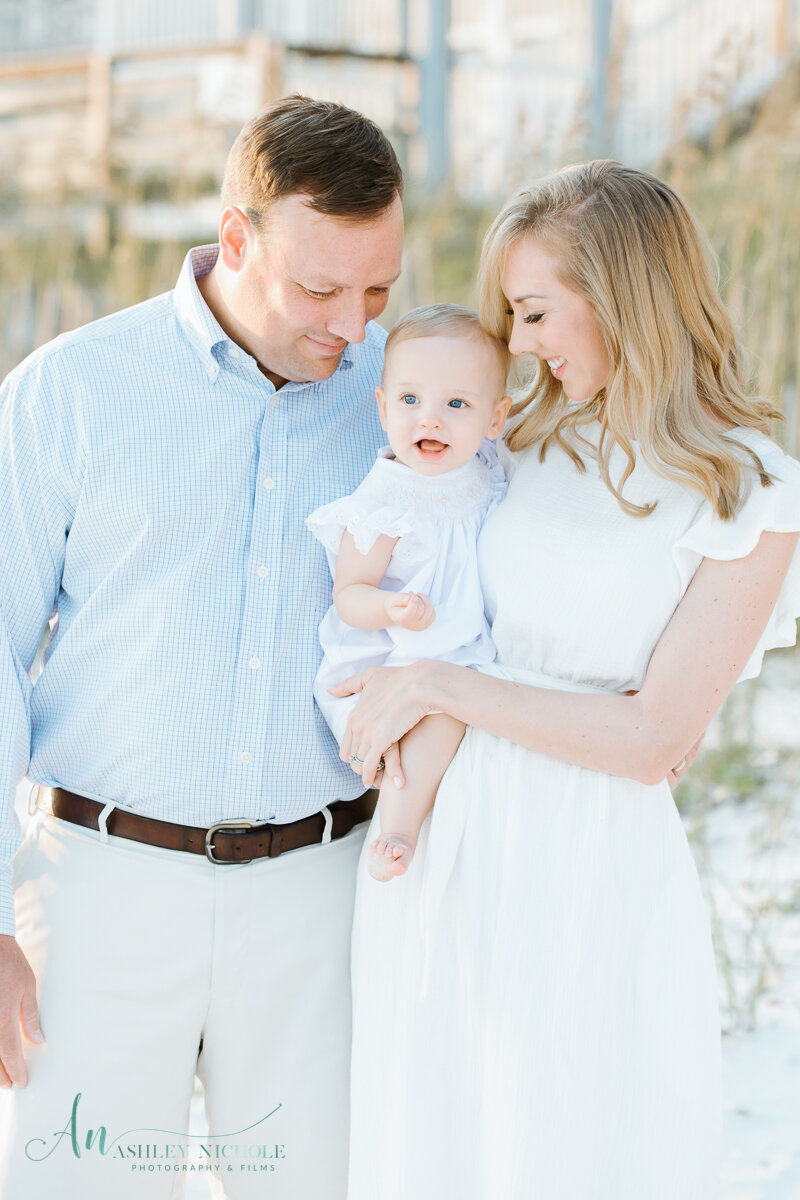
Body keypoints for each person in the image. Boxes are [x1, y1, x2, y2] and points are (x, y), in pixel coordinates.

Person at [335, 162, 800, 1199]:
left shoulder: (747, 488)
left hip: (587, 853)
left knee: (569, 1139)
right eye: (513, 313)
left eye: (537, 310)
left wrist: (438, 688)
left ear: (622, 291)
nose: (522, 343)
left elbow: (650, 740)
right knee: (433, 1137)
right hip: (449, 839)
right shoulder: (521, 442)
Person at [0, 94, 403, 1199]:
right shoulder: (68, 395)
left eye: (379, 289)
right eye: (320, 288)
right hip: (93, 898)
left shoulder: (400, 399)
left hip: (326, 896)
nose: (353, 325)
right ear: (235, 239)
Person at [307, 304, 511, 880]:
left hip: (451, 643)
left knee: (455, 697)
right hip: (392, 652)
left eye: (457, 404)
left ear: (495, 418)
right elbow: (350, 592)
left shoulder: (487, 467)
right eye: (410, 401)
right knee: (440, 708)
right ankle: (398, 824)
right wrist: (391, 606)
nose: (432, 420)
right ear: (383, 407)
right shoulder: (385, 499)